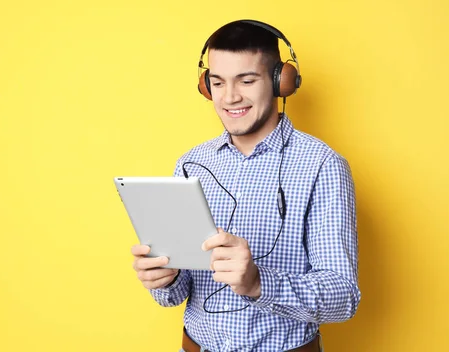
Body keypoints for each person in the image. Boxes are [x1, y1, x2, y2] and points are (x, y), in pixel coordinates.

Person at [130, 20, 361, 352]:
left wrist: (257, 283)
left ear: (281, 81)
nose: (230, 97)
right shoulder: (190, 163)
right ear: (205, 86)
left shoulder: (322, 165)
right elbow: (176, 294)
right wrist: (163, 278)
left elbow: (343, 296)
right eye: (218, 82)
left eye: (247, 80)